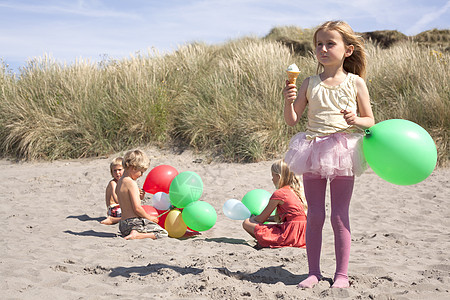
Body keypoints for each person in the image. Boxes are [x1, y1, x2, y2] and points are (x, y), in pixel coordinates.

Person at [282, 20, 375, 289]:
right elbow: (292, 120)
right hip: (312, 149)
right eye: (318, 44)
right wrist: (288, 101)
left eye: (330, 43)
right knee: (315, 216)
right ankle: (313, 272)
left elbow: (370, 120)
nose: (323, 48)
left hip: (343, 151)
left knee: (339, 215)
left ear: (347, 50)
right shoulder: (310, 82)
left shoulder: (356, 83)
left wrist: (355, 119)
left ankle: (342, 275)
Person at [242, 159, 307, 249]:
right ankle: (265, 242)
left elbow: (261, 219)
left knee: (246, 223)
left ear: (278, 177)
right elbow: (285, 218)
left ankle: (265, 243)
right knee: (268, 226)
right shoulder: (297, 192)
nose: (272, 179)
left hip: (290, 235)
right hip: (304, 236)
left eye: (273, 176)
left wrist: (252, 218)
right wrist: (267, 218)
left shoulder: (280, 193)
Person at [117, 149, 168, 240]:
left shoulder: (120, 182)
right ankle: (137, 234)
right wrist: (149, 217)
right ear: (133, 168)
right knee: (162, 233)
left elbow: (127, 203)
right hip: (134, 223)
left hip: (123, 225)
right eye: (141, 172)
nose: (141, 175)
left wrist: (140, 197)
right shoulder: (131, 183)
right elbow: (137, 209)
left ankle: (134, 232)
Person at [101, 157, 124, 225]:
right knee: (130, 216)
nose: (117, 173)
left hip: (121, 207)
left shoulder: (124, 182)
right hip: (114, 208)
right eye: (114, 170)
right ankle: (113, 219)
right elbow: (116, 199)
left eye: (119, 170)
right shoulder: (113, 183)